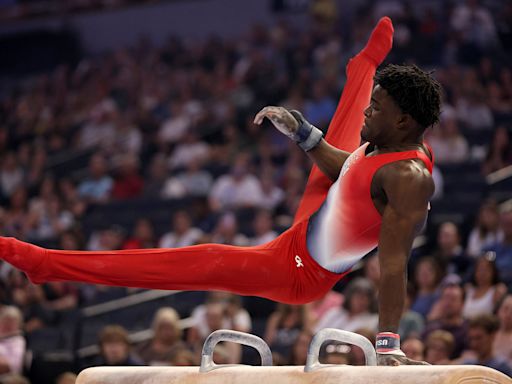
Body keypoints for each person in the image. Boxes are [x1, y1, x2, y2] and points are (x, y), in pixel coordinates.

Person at [0, 18, 439, 366]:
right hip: (323, 211)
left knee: (203, 259)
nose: (369, 110)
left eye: (377, 107)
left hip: (299, 269)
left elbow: (394, 262)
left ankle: (46, 265)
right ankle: (362, 69)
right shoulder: (385, 142)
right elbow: (351, 170)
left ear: (403, 122)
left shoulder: (408, 179)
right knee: (346, 140)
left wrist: (387, 343)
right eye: (373, 99)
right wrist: (305, 135)